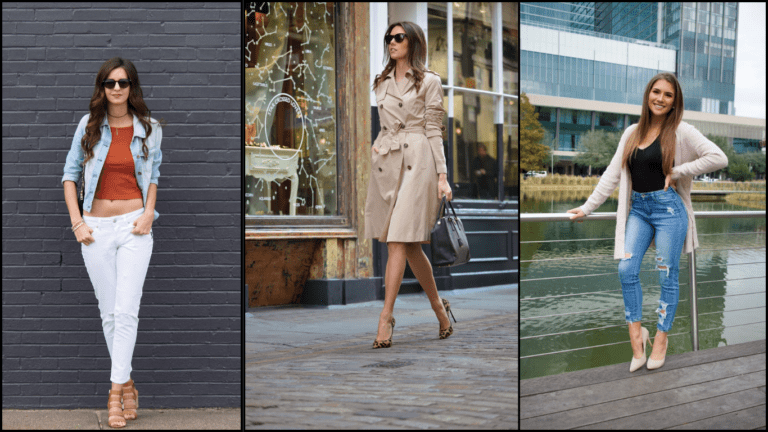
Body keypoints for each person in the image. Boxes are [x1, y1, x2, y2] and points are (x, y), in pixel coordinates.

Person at [567, 72, 727, 372]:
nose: (661, 99)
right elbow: (612, 175)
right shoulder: (632, 132)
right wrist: (588, 208)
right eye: (656, 92)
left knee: (667, 276)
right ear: (647, 94)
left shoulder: (681, 130)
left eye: (668, 95)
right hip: (638, 209)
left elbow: (718, 157)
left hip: (669, 211)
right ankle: (636, 335)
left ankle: (662, 338)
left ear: (674, 101)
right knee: (626, 268)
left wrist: (679, 171)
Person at [62, 57, 162, 428]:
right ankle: (130, 382)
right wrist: (77, 223)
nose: (116, 89)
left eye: (123, 82)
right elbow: (69, 176)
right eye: (109, 83)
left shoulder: (149, 130)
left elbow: (153, 176)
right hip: (96, 228)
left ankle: (115, 392)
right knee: (109, 313)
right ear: (101, 88)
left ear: (132, 87)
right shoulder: (88, 127)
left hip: (135, 227)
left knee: (126, 311)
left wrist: (149, 212)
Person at [364, 21, 456, 349]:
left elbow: (434, 130)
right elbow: (386, 125)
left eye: (398, 37)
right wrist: (377, 145)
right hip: (389, 163)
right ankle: (440, 311)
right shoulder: (381, 81)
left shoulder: (430, 81)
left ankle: (385, 316)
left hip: (420, 163)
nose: (391, 42)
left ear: (413, 42)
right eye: (389, 37)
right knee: (410, 245)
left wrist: (442, 178)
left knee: (397, 241)